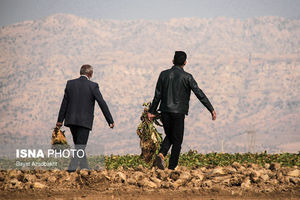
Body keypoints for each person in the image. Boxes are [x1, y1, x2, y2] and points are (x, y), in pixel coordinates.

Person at [148, 51, 216, 170]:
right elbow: (199, 93)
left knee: (170, 135)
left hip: (165, 111)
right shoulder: (187, 77)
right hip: (179, 112)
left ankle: (161, 154)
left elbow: (157, 95)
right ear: (185, 63)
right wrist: (211, 109)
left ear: (173, 61)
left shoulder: (163, 74)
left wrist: (151, 111)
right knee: (177, 140)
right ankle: (172, 168)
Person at [56, 64, 114, 172]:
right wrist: (110, 120)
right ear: (90, 74)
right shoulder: (93, 86)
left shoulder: (70, 84)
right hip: (84, 122)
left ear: (80, 72)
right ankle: (71, 170)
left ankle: (84, 168)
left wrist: (60, 120)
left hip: (71, 121)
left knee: (79, 145)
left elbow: (64, 103)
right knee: (80, 147)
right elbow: (102, 103)